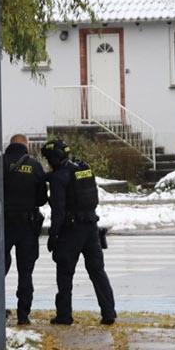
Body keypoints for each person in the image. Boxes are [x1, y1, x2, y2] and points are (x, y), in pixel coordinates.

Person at [41, 139, 116, 326]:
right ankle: (109, 313)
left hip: (71, 230)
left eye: (48, 160)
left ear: (54, 159)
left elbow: (58, 210)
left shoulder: (59, 178)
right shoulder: (83, 169)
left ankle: (64, 315)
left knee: (65, 274)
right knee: (97, 271)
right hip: (90, 227)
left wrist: (53, 235)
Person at [2, 134, 48, 325]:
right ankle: (23, 314)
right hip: (27, 225)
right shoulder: (35, 166)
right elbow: (42, 199)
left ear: (10, 145)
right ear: (26, 146)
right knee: (25, 271)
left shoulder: (0, 162)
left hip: (3, 223)